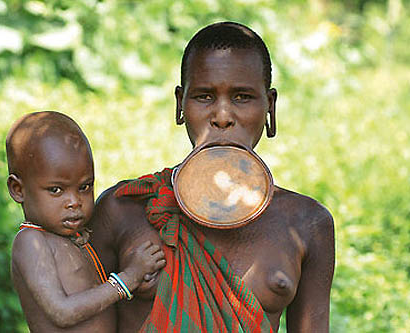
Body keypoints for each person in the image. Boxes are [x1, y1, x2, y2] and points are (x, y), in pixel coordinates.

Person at [90, 22, 335, 332]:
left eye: (242, 97)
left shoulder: (306, 222)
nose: (222, 116)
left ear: (269, 106)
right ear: (181, 104)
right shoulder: (122, 210)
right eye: (204, 97)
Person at [6, 111, 166, 332]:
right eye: (56, 190)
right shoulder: (31, 242)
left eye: (84, 187)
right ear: (18, 190)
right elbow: (62, 312)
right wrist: (128, 279)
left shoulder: (77, 237)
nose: (74, 201)